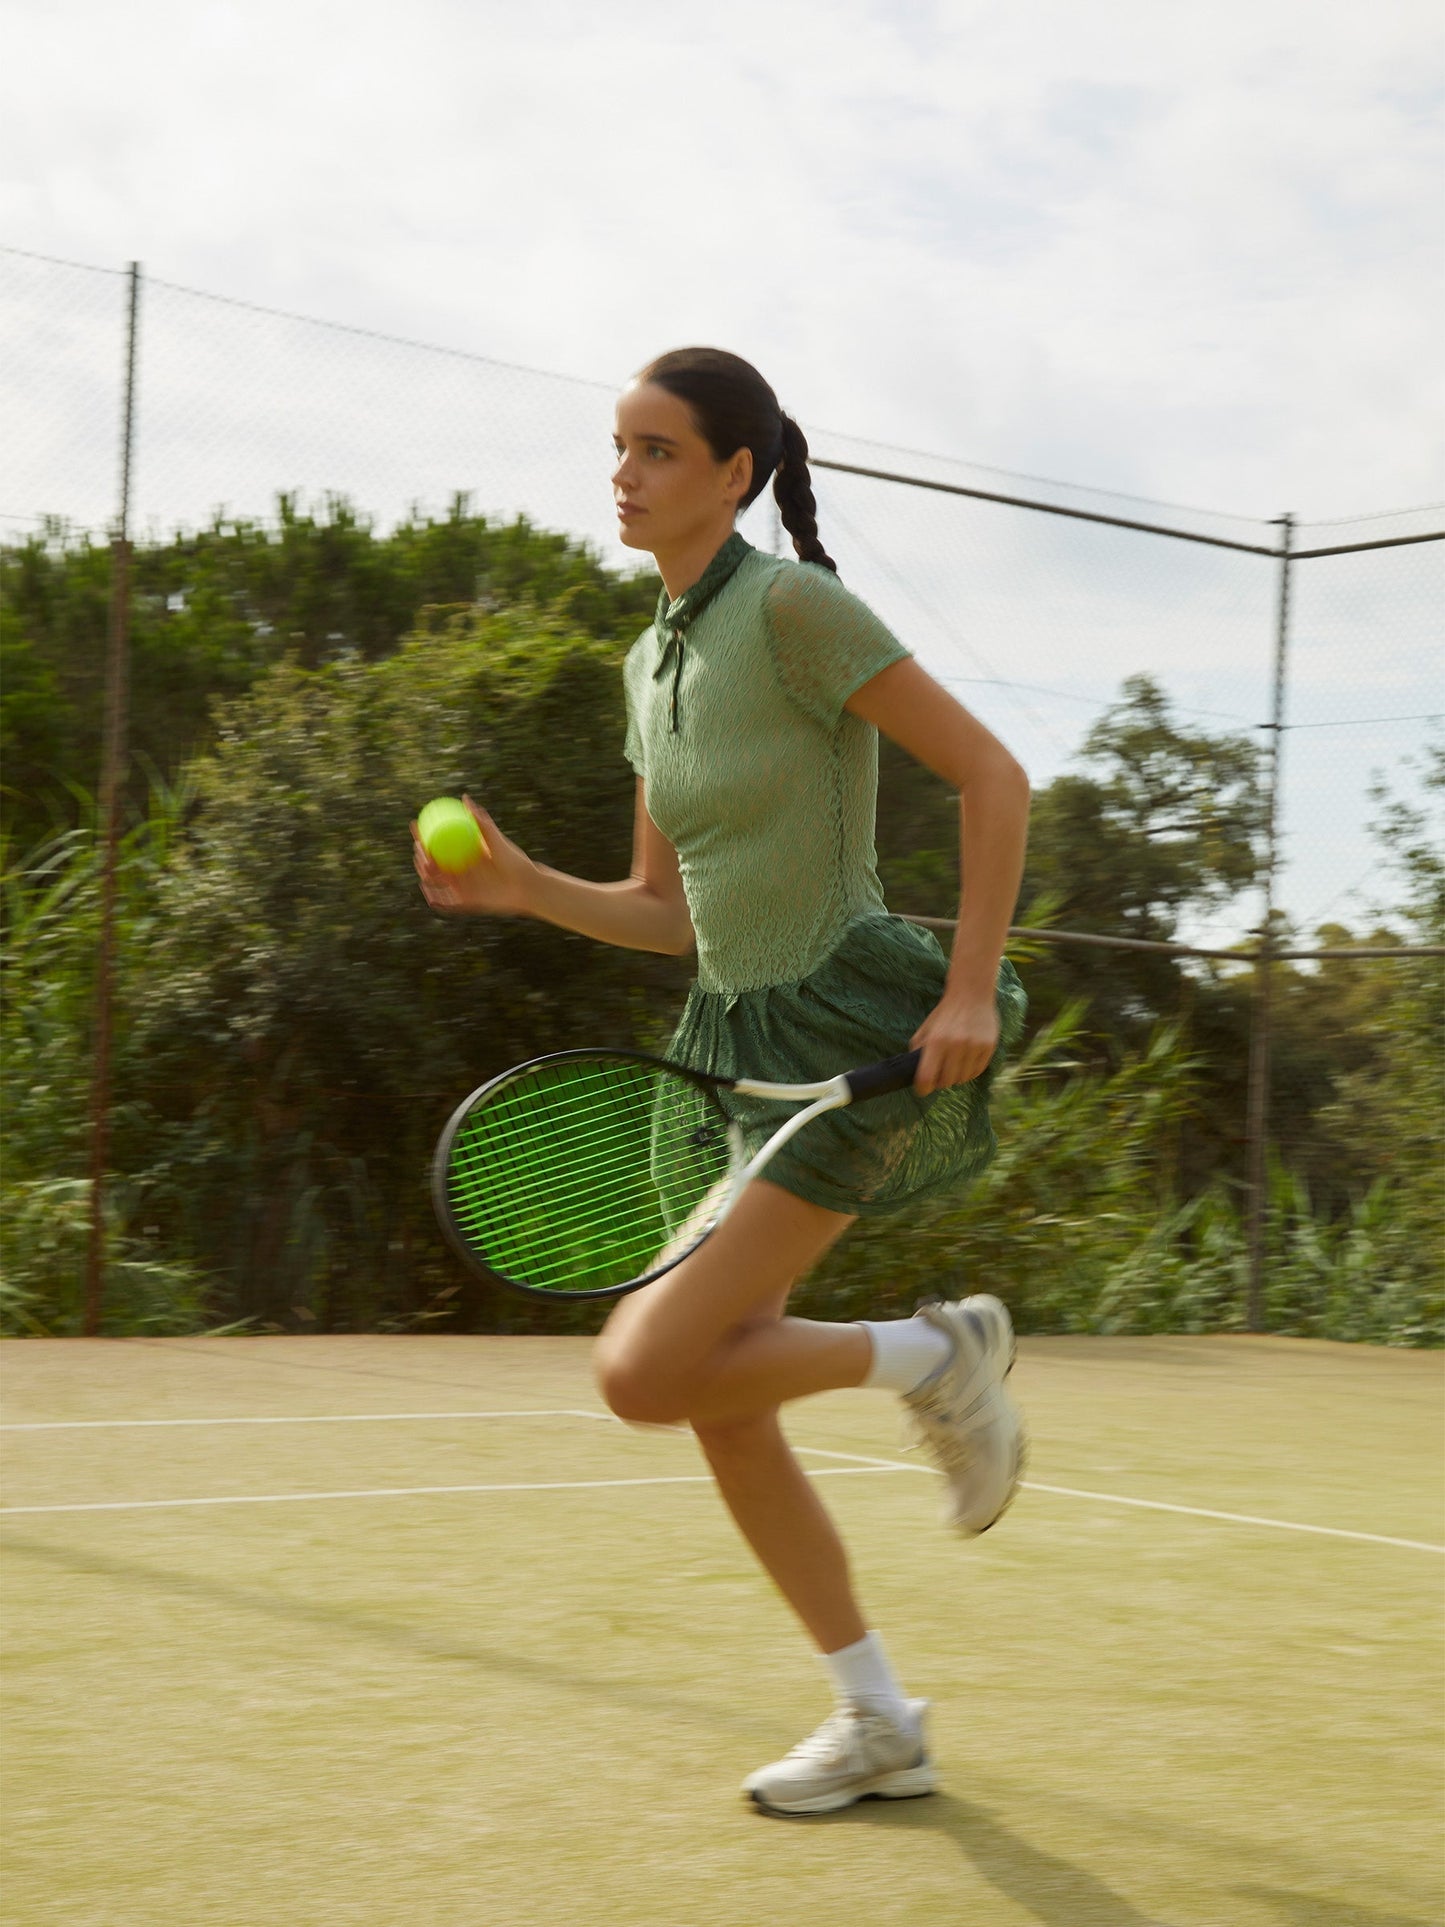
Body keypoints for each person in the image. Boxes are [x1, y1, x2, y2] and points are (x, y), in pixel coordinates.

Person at [413, 348, 1030, 1818]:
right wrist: (519, 890)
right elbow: (664, 913)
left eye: (657, 451)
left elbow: (994, 777)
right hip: (724, 1053)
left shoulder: (795, 612)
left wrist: (963, 989)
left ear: (734, 475)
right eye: (615, 447)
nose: (622, 475)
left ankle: (931, 1358)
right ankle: (876, 1716)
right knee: (711, 1398)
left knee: (640, 1370)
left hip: (848, 1024)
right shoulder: (649, 663)